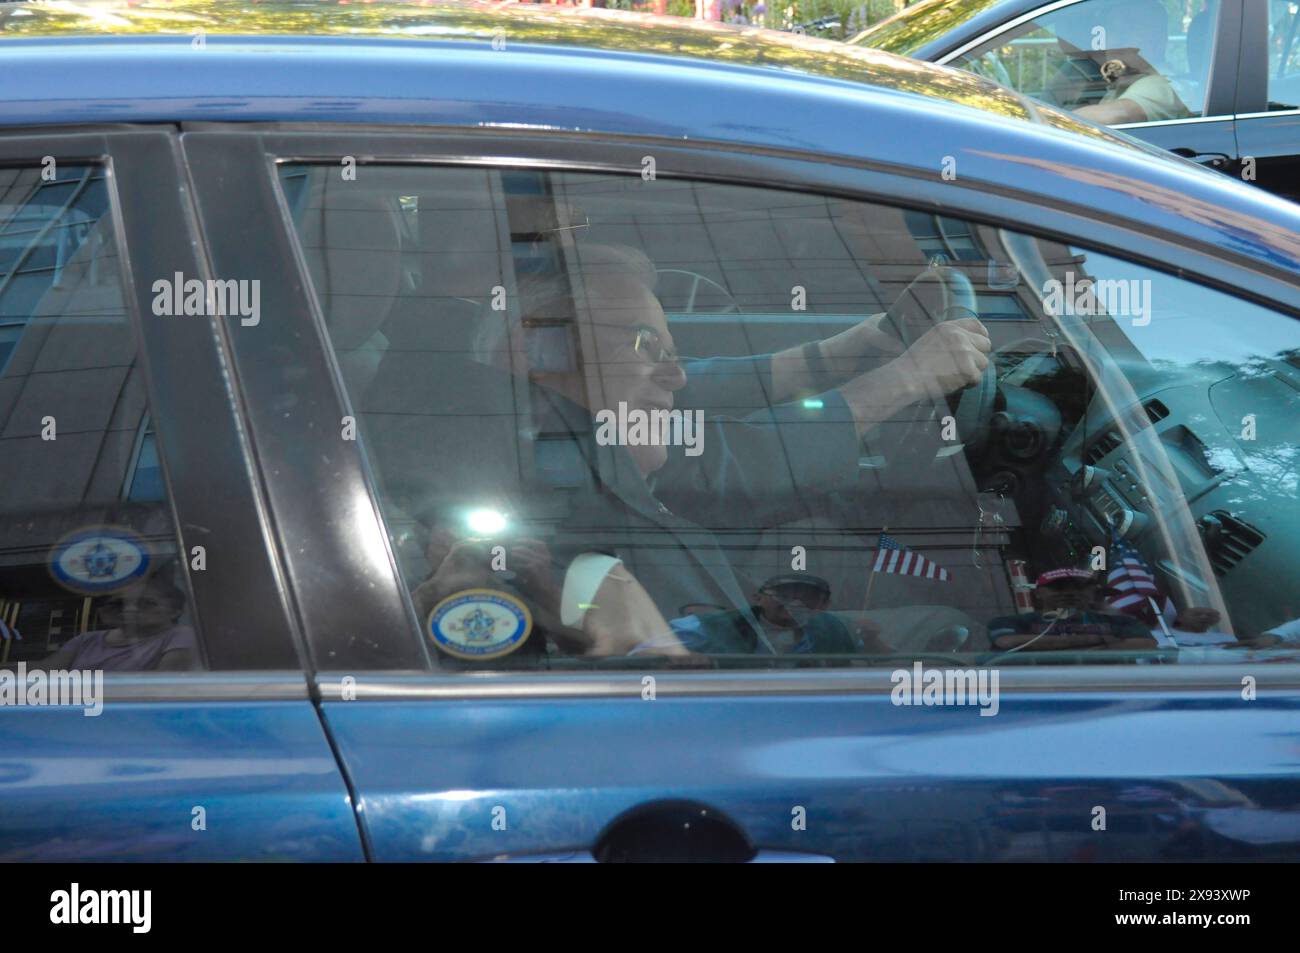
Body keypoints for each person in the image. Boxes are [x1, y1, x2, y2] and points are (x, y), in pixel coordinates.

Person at [41, 575, 198, 672]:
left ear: (175, 611)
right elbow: (45, 673)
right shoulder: (85, 640)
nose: (130, 609)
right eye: (120, 603)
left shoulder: (180, 636)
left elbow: (164, 687)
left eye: (146, 603)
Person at [988, 567, 1157, 653]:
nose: (1070, 592)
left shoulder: (1122, 621)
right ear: (1038, 593)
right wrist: (1097, 639)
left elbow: (1146, 644)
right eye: (1059, 587)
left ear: (1093, 593)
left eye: (1080, 587)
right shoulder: (1011, 622)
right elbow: (1007, 642)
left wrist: (1057, 647)